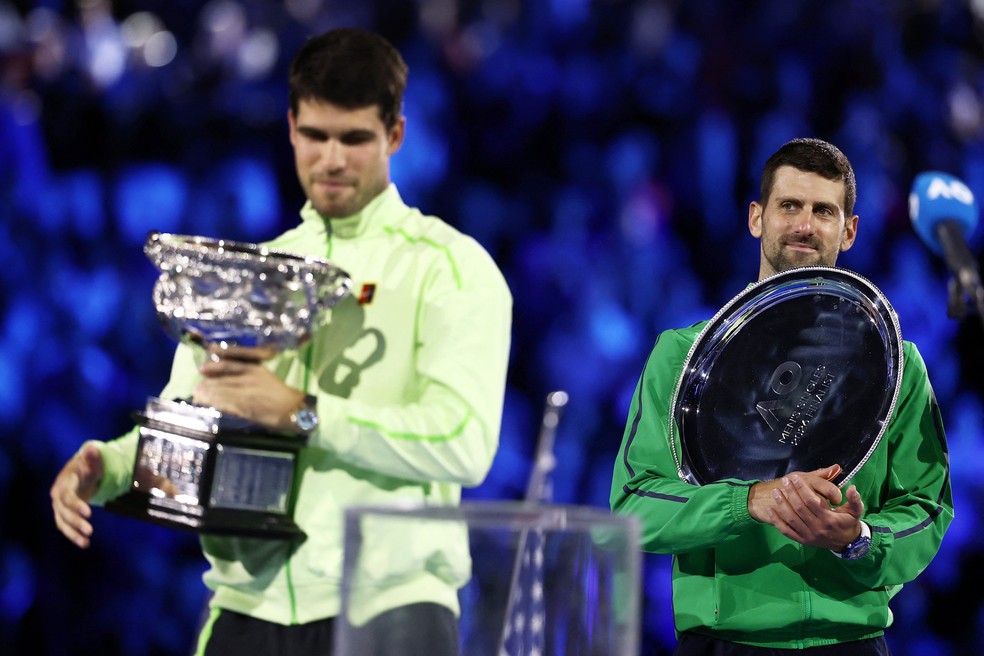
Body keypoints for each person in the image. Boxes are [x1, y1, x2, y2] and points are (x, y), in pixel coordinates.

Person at [50, 28, 512, 656]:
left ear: (395, 136)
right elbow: (190, 414)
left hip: (390, 608)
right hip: (246, 607)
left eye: (354, 138)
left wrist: (303, 414)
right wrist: (106, 468)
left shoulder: (450, 267)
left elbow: (463, 442)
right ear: (291, 128)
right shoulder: (246, 277)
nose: (332, 160)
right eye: (316, 135)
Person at [610, 138, 952, 654]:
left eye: (824, 211)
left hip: (849, 640)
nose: (804, 225)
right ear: (757, 218)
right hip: (723, 640)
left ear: (849, 230)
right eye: (789, 205)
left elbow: (926, 508)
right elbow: (634, 504)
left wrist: (857, 538)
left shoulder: (896, 363)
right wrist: (749, 501)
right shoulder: (680, 356)